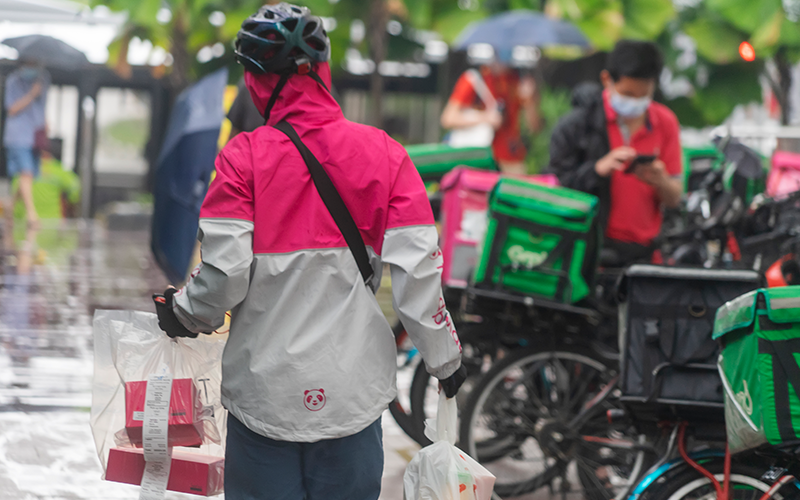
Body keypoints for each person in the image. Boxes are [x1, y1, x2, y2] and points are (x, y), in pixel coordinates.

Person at [151, 3, 466, 499]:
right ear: (324, 70)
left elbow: (224, 276)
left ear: (256, 82)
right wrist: (445, 362)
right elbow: (420, 281)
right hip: (352, 398)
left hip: (263, 399)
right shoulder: (387, 155)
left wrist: (183, 314)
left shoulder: (241, 159)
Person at [547, 40, 683, 264]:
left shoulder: (665, 122)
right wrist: (597, 170)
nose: (635, 102)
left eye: (643, 95)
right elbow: (554, 188)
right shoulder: (578, 126)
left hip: (644, 253)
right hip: (588, 251)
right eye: (628, 94)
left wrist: (661, 181)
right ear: (606, 80)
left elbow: (674, 198)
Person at [441, 58, 541, 175]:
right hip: (481, 160)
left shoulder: (520, 80)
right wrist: (486, 118)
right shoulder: (475, 79)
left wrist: (529, 102)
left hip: (511, 161)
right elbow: (448, 119)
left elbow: (534, 128)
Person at [3, 60, 50, 229]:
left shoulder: (43, 79)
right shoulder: (13, 81)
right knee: (26, 172)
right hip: (18, 135)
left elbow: (42, 108)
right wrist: (31, 94)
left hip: (35, 135)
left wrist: (45, 129)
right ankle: (32, 215)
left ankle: (10, 206)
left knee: (29, 176)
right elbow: (11, 109)